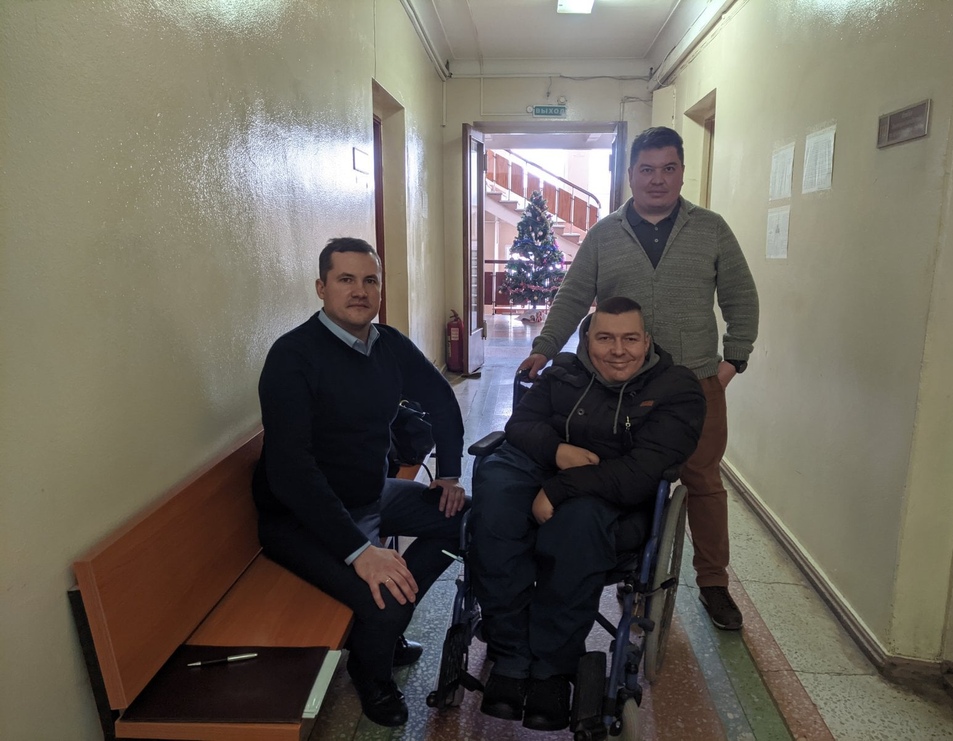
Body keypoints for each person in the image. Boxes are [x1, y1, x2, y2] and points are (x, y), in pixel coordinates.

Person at [519, 126, 759, 632]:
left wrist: (733, 361)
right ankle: (626, 561)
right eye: (647, 169)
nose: (657, 180)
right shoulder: (604, 233)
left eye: (668, 168)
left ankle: (714, 583)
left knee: (703, 481)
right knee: (626, 475)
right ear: (630, 175)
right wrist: (544, 348)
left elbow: (741, 297)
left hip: (693, 384)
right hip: (619, 390)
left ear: (682, 172)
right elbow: (573, 294)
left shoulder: (710, 229)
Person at [252, 237, 468, 728]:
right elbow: (291, 472)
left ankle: (386, 622)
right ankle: (373, 672)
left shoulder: (388, 344)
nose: (359, 291)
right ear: (321, 288)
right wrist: (359, 551)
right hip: (300, 517)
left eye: (370, 280)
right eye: (345, 279)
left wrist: (449, 474)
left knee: (463, 522)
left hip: (370, 495)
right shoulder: (292, 357)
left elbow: (440, 399)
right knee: (383, 599)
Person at [471, 297, 706, 731]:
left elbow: (641, 473)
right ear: (586, 341)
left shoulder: (676, 389)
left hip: (612, 496)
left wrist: (558, 490)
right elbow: (520, 425)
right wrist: (556, 451)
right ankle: (510, 655)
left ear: (646, 341)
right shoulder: (564, 370)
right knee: (496, 497)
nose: (618, 350)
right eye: (605, 338)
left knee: (574, 526)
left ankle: (552, 668)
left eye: (629, 339)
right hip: (543, 466)